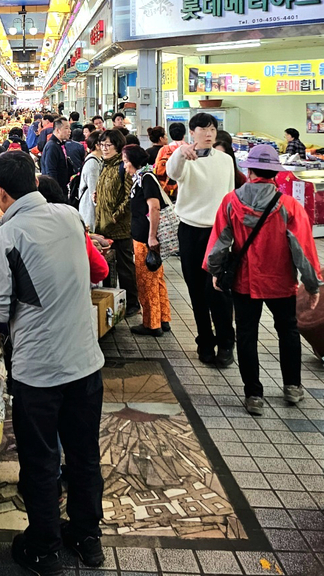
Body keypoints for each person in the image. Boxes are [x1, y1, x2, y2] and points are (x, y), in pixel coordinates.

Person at [0, 152, 105, 573]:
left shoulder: (3, 239)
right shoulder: (69, 217)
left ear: (0, 192)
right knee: (84, 454)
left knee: (41, 459)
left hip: (39, 372)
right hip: (86, 362)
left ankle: (44, 547)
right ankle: (88, 537)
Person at [206, 144, 322, 415]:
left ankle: (253, 395)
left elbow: (220, 243)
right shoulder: (288, 206)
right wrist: (312, 284)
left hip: (244, 282)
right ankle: (292, 387)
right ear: (275, 173)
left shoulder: (230, 201)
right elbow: (302, 249)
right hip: (280, 281)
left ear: (249, 168)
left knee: (246, 334)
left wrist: (215, 271)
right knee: (288, 332)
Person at [166, 112, 235, 367]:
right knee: (195, 290)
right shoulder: (186, 157)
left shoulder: (226, 161)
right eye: (203, 129)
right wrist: (180, 153)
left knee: (217, 290)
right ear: (192, 132)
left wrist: (230, 235)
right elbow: (173, 173)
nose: (208, 134)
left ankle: (227, 342)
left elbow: (229, 196)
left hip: (218, 233)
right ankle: (205, 341)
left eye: (212, 129)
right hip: (190, 230)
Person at [122, 144, 171, 337]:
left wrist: (151, 236)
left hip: (145, 239)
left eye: (126, 161)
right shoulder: (142, 177)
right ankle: (163, 319)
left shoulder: (146, 179)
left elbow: (154, 208)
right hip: (145, 237)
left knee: (146, 281)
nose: (124, 166)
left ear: (133, 161)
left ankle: (152, 323)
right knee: (156, 279)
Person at [95, 128, 140, 316]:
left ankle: (132, 303)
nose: (104, 148)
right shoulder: (105, 166)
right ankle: (113, 301)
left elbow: (130, 196)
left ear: (118, 146)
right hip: (103, 226)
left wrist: (116, 216)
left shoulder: (123, 167)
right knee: (107, 267)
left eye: (109, 145)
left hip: (120, 228)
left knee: (125, 267)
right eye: (102, 145)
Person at [78, 131, 103, 232]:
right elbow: (94, 191)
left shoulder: (99, 160)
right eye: (104, 143)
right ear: (97, 145)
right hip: (89, 208)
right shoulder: (92, 163)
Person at [154, 121, 186, 199]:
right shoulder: (190, 149)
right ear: (184, 134)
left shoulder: (164, 149)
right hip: (185, 187)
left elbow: (156, 169)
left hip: (168, 188)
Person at [41, 117, 72, 193]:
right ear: (58, 130)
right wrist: (56, 191)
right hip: (55, 192)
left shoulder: (59, 144)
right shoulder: (52, 146)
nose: (69, 131)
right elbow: (50, 171)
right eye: (66, 128)